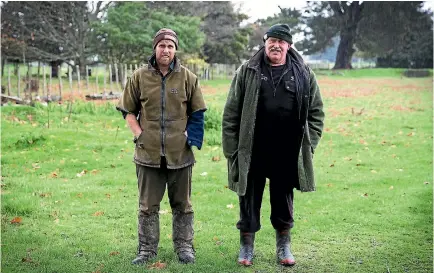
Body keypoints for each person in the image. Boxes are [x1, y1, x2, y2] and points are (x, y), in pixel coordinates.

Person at [222, 24, 325, 267]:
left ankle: (284, 246)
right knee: (248, 199)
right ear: (265, 42)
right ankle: (246, 246)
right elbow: (231, 113)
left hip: (286, 151)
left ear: (289, 46)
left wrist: (308, 146)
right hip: (252, 150)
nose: (276, 45)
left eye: (281, 41)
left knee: (283, 200)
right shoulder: (247, 71)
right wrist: (231, 150)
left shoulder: (303, 73)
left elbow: (317, 113)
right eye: (272, 40)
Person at [116, 28, 207, 265]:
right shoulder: (138, 77)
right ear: (155, 48)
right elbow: (128, 111)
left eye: (170, 46)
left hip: (180, 154)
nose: (165, 50)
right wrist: (139, 135)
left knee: (183, 205)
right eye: (161, 45)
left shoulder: (188, 78)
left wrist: (190, 137)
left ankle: (184, 247)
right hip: (148, 153)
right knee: (147, 206)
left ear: (175, 49)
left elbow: (198, 113)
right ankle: (146, 250)